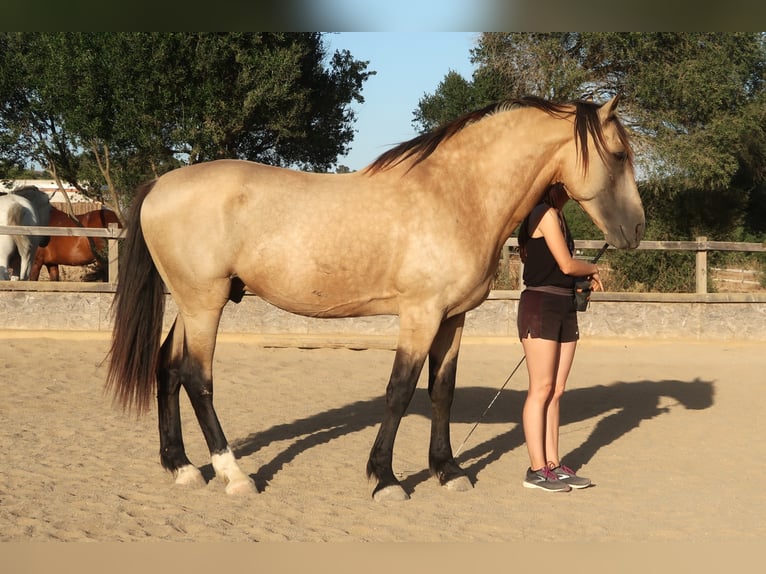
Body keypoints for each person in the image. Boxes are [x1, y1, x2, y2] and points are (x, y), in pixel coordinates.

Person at [516, 182, 603, 492]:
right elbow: (566, 264)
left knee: (557, 390)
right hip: (540, 305)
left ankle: (553, 465)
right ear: (555, 185)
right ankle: (536, 470)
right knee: (540, 389)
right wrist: (591, 268)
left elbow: (561, 268)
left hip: (563, 305)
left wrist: (581, 281)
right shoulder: (543, 214)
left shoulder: (558, 216)